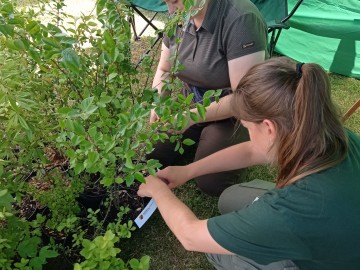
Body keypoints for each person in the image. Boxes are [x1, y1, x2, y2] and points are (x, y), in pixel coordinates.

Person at [138, 57, 360, 269]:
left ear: (269, 128)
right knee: (230, 198)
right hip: (335, 233)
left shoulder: (290, 209)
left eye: (247, 126)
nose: (248, 133)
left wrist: (158, 191)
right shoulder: (330, 134)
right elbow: (253, 151)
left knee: (217, 249)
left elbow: (190, 237)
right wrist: (188, 171)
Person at [147, 0, 269, 196]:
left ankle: (226, 141)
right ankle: (199, 140)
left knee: (211, 182)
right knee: (153, 154)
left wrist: (189, 118)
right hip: (192, 103)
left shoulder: (241, 18)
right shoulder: (179, 13)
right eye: (166, 2)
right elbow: (164, 69)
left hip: (234, 115)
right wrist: (158, 103)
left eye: (175, 1)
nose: (170, 10)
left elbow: (244, 98)